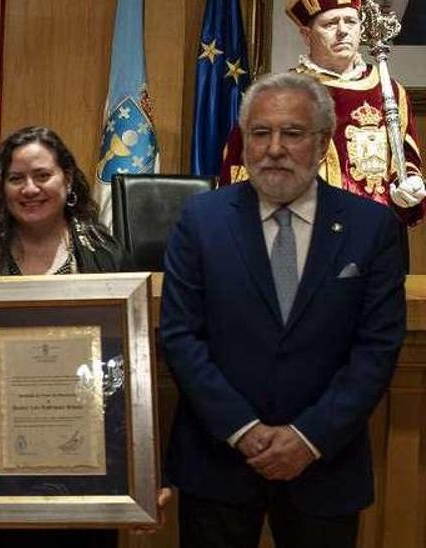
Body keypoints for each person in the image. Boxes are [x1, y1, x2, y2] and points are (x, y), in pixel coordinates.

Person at [162, 72, 405, 548]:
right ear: (246, 142)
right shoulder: (200, 220)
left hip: (324, 465)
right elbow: (180, 335)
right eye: (260, 133)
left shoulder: (371, 227)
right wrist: (243, 430)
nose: (274, 148)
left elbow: (377, 347)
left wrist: (309, 437)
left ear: (322, 144)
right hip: (219, 465)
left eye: (292, 133)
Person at [0, 126, 169, 548]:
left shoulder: (104, 255)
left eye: (42, 175)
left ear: (67, 180)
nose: (29, 189)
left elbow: (126, 369)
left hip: (88, 465)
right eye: (15, 178)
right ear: (0, 187)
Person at [219, 0, 426, 227]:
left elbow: (406, 161)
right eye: (330, 24)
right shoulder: (279, 95)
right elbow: (240, 170)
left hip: (376, 233)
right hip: (306, 235)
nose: (343, 31)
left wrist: (410, 187)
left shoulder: (389, 90)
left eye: (350, 21)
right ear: (306, 35)